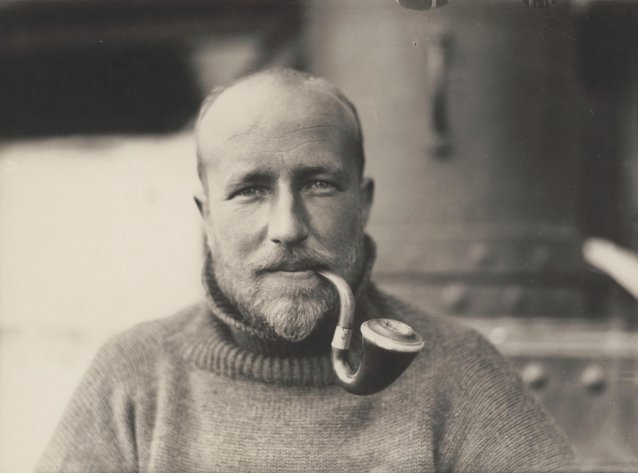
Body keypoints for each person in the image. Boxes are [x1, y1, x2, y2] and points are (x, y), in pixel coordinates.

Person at [36, 68, 573, 473]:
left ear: (362, 205)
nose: (287, 228)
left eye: (319, 185)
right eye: (250, 190)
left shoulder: (460, 370)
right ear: (206, 218)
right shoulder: (134, 374)